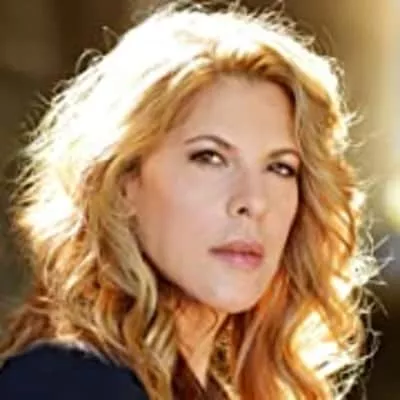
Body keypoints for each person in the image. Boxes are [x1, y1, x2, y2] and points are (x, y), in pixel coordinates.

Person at [0, 1, 379, 399]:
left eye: (280, 168)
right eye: (209, 158)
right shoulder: (66, 383)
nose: (253, 201)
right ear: (123, 182)